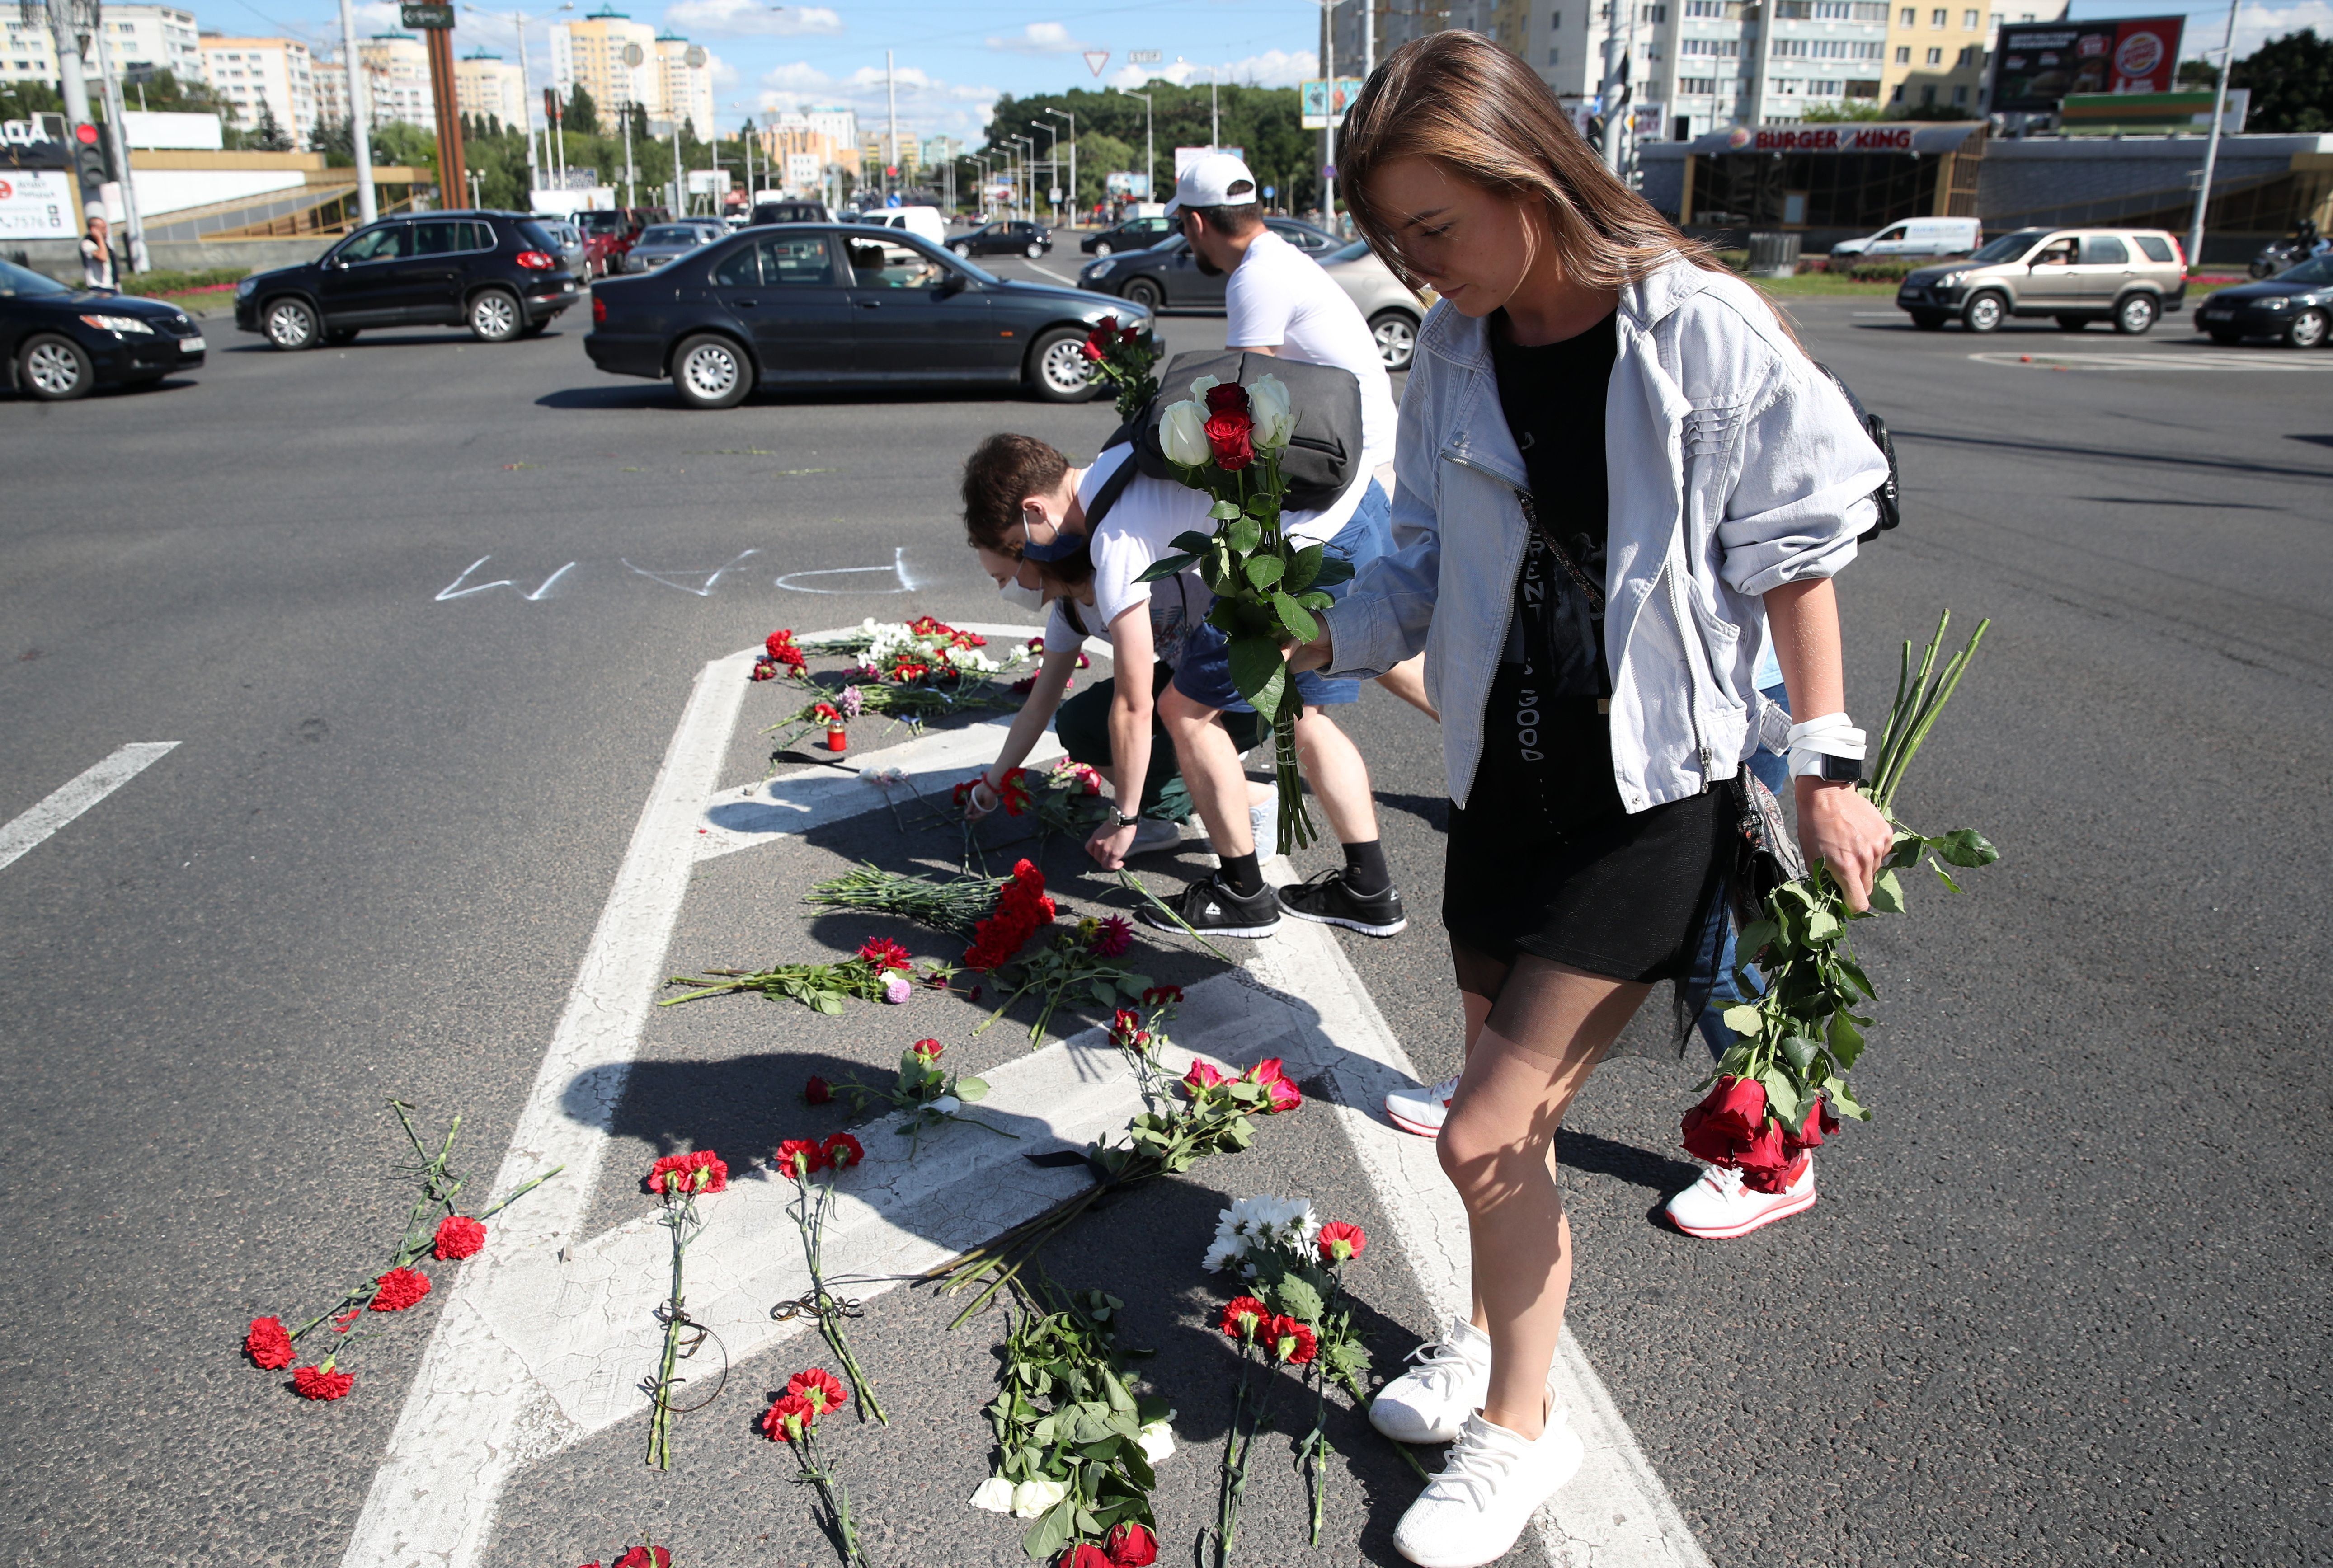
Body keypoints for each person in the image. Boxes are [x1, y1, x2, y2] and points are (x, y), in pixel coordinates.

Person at [1296, 34, 1895, 1568]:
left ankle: (1521, 1428)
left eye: (1433, 228)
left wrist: (1826, 764)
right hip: (1507, 778)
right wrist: (1308, 634)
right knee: (1517, 1123)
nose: (1415, 266)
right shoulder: (1448, 349)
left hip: (1652, 790)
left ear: (1523, 170)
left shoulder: (1693, 324)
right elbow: (1414, 569)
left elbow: (1795, 545)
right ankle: (1504, 1343)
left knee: (1485, 1126)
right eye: (1390, 242)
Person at [1152, 151, 1414, 939]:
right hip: (1360, 489)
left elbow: (1245, 416)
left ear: (1196, 223)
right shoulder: (1287, 258)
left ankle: (1242, 894)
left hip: (1313, 516)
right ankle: (1371, 888)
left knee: (1185, 710)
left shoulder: (1253, 278)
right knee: (1328, 692)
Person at [957, 433, 1286, 881]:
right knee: (1080, 722)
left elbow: (1134, 705)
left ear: (1030, 554)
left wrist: (1122, 815)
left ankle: (1252, 799)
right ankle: (1157, 812)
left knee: (1148, 722)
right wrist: (992, 784)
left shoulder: (1115, 568)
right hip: (1190, 683)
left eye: (1002, 576)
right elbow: (1038, 706)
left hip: (1240, 686)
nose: (1004, 590)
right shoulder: (1069, 610)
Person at [80, 216, 117, 292]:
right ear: (93, 230)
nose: (106, 231)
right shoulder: (87, 244)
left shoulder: (103, 244)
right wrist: (99, 238)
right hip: (99, 287)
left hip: (110, 286)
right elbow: (103, 258)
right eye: (103, 229)